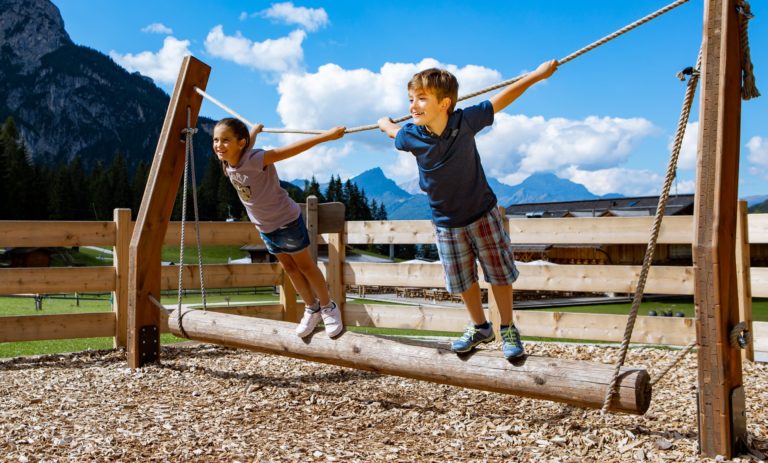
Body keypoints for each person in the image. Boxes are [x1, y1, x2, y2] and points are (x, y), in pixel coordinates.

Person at [377, 60, 558, 359]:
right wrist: (384, 122)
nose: (413, 105)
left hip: (482, 213)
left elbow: (502, 99)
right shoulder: (412, 135)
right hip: (446, 222)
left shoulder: (465, 122)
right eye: (410, 99)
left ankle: (508, 327)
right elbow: (392, 132)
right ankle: (480, 326)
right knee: (462, 279)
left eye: (421, 98)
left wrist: (536, 76)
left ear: (444, 103)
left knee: (498, 273)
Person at [213, 117, 346, 338]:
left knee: (305, 267)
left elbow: (291, 150)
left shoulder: (257, 159)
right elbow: (243, 148)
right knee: (290, 269)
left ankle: (328, 307)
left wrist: (327, 136)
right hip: (265, 228)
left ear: (240, 142)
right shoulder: (228, 162)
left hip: (286, 221)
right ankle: (311, 308)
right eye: (216, 140)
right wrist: (253, 132)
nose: (219, 145)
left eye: (225, 140)